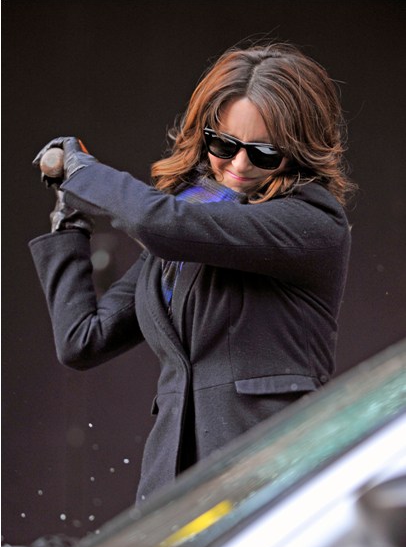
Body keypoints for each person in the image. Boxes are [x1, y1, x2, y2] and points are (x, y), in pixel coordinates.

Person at [31, 42, 354, 504]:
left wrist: (85, 174)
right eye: (225, 145)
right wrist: (69, 223)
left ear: (298, 151)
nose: (239, 165)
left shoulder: (311, 221)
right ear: (204, 138)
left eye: (265, 153)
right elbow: (83, 340)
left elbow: (160, 224)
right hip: (173, 487)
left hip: (268, 478)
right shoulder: (191, 227)